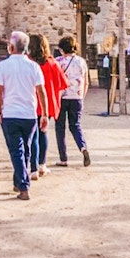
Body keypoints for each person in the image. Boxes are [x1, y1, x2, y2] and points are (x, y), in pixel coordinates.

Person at [0, 31, 47, 201]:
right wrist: (44, 113)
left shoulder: (3, 66)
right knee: (26, 149)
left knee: (16, 150)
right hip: (29, 114)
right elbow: (41, 91)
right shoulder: (33, 66)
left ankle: (24, 186)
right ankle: (18, 181)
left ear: (11, 47)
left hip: (11, 113)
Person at [28, 34, 66, 179]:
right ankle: (42, 164)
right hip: (47, 104)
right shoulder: (52, 63)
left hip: (31, 103)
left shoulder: (29, 63)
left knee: (32, 135)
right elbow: (62, 84)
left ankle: (32, 165)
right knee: (43, 133)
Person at [54, 36, 91, 167]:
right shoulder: (81, 62)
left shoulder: (58, 61)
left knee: (60, 127)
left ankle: (63, 158)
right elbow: (86, 82)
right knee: (75, 125)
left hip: (61, 98)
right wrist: (82, 96)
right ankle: (83, 147)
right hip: (77, 97)